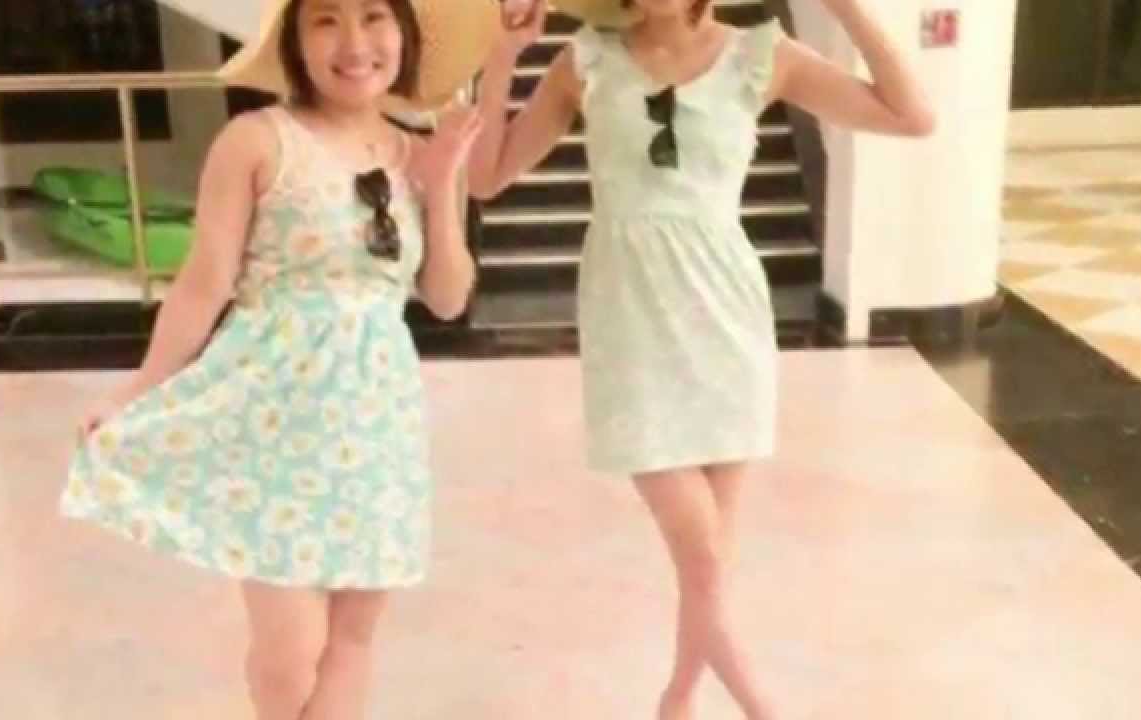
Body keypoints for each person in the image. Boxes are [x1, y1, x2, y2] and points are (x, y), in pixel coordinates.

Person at [468, 0, 934, 717]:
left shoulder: (760, 56)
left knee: (709, 561)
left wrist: (846, 8)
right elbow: (485, 178)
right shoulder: (584, 60)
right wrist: (503, 56)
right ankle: (761, 706)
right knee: (703, 551)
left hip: (726, 316)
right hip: (629, 319)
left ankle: (679, 699)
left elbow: (912, 116)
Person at [60, 0, 497, 717]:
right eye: (326, 20)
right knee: (291, 651)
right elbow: (203, 283)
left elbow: (448, 299)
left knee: (353, 639)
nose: (354, 42)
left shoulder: (414, 151)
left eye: (374, 16)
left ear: (405, 33)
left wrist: (443, 182)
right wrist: (138, 388)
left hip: (377, 426)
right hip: (273, 424)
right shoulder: (257, 141)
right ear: (294, 39)